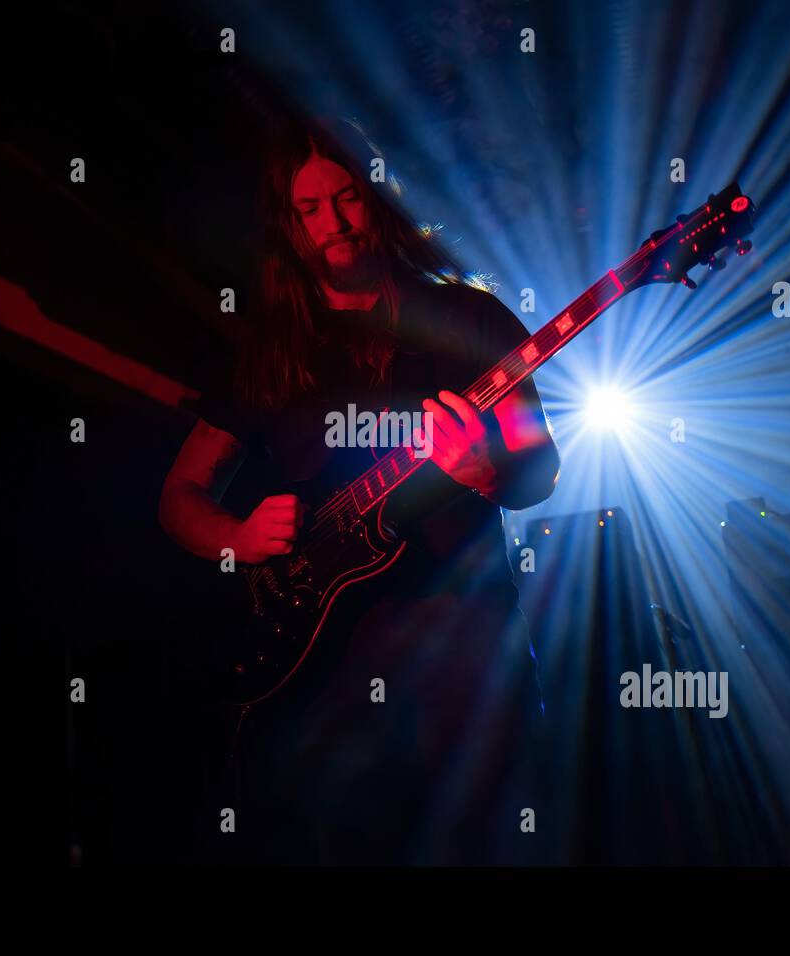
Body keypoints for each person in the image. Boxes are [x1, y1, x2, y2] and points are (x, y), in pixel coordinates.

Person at [159, 118, 560, 864]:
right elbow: (181, 493)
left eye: (344, 198)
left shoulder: (468, 318)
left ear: (376, 198)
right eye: (308, 210)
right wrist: (238, 538)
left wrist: (481, 470)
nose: (333, 224)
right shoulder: (273, 353)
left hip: (459, 639)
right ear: (287, 228)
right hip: (317, 664)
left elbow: (541, 472)